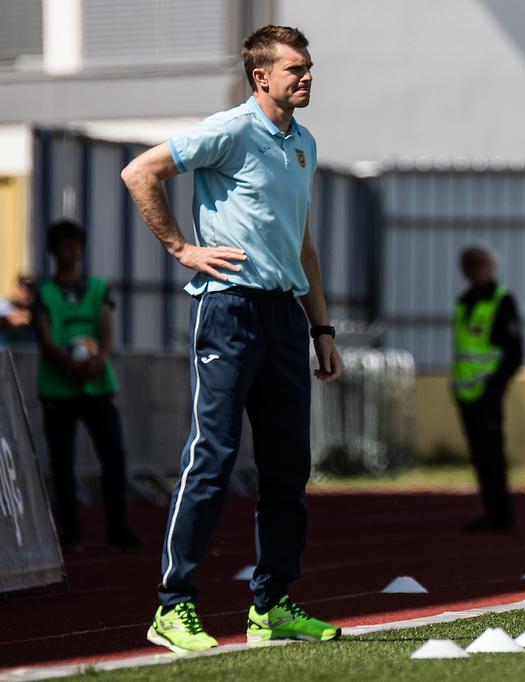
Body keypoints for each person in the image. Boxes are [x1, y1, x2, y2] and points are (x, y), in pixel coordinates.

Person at [121, 25, 341, 653]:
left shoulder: (304, 144)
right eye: (294, 69)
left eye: (308, 66)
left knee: (287, 469)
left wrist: (319, 325)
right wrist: (180, 248)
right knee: (212, 458)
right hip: (228, 311)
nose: (306, 77)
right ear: (261, 77)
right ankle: (173, 605)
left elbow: (301, 242)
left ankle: (272, 605)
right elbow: (141, 173)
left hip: (283, 320)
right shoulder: (231, 129)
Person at [32, 220, 141, 553]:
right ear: (54, 251)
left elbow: (107, 330)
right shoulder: (45, 293)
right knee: (62, 464)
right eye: (66, 245)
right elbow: (44, 336)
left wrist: (97, 361)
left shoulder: (97, 287)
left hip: (96, 386)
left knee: (114, 457)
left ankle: (118, 530)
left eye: (77, 245)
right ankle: (70, 532)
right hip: (58, 389)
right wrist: (69, 364)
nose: (73, 251)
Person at [451, 246, 523, 534]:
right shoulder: (464, 301)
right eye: (470, 264)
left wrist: (494, 388)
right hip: (465, 392)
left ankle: (501, 514)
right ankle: (491, 510)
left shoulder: (501, 300)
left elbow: (514, 353)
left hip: (487, 391)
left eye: (481, 263)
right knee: (480, 455)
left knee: (492, 454)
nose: (476, 269)